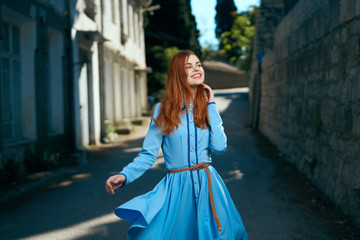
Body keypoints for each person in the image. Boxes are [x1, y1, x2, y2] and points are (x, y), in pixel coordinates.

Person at [105, 50, 248, 240]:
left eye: (198, 65)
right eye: (189, 67)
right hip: (177, 190)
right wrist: (125, 175)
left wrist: (211, 105)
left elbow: (219, 146)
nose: (196, 69)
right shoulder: (162, 111)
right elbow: (148, 155)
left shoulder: (207, 109)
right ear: (178, 75)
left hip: (209, 186)